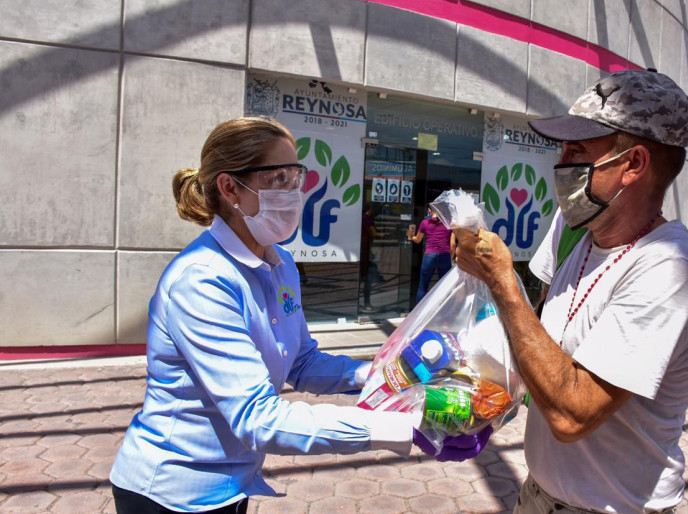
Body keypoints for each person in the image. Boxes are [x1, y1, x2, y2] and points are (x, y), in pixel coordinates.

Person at [109, 117, 486, 514]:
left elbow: (302, 362)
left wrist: (390, 376)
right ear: (230, 188)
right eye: (278, 179)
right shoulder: (202, 281)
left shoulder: (281, 263)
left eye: (297, 177)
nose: (294, 192)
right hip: (171, 492)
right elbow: (257, 418)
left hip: (234, 485)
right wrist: (403, 425)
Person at [453, 70, 688, 513]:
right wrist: (482, 391)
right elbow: (539, 336)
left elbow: (572, 413)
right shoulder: (573, 227)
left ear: (633, 165)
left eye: (577, 150)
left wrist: (501, 281)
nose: (561, 162)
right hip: (539, 494)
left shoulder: (672, 270)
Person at [407, 204, 456, 303]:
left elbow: (418, 240)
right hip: (444, 256)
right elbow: (453, 244)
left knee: (423, 287)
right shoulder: (449, 224)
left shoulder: (424, 223)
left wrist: (410, 236)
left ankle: (418, 315)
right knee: (445, 286)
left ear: (430, 210)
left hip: (429, 256)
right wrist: (450, 257)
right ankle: (443, 312)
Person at [360, 201, 387, 312]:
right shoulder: (367, 219)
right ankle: (366, 303)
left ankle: (366, 303)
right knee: (368, 279)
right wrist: (387, 234)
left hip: (366, 250)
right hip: (365, 251)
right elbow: (374, 233)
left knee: (367, 277)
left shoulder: (365, 218)